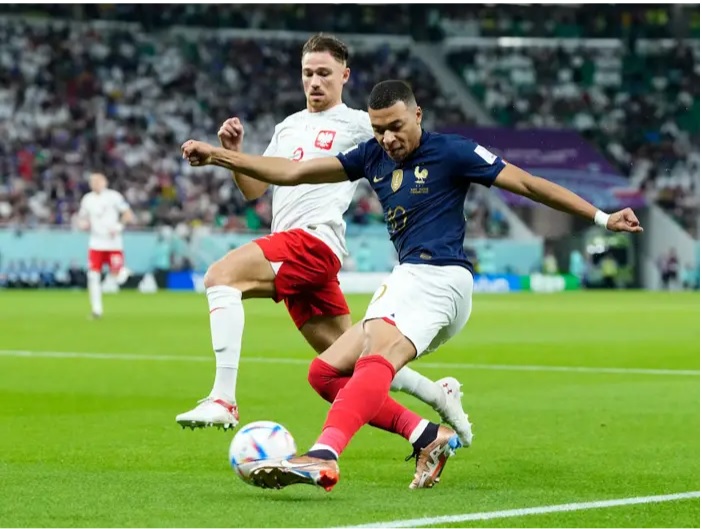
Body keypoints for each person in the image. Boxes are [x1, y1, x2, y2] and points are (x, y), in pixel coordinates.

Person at [183, 80, 643, 490]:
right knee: (325, 373)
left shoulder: (453, 151)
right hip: (410, 279)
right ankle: (427, 435)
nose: (388, 138)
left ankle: (324, 454)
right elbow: (293, 172)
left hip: (441, 278)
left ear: (417, 115)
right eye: (379, 129)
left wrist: (602, 218)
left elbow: (527, 184)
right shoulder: (372, 155)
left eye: (396, 127)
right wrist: (220, 157)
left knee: (376, 357)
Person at [175, 34, 474, 447]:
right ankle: (429, 422)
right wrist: (235, 154)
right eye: (307, 73)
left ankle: (223, 398)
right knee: (353, 366)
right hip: (291, 247)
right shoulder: (287, 127)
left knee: (220, 277)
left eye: (324, 73)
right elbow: (254, 190)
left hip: (313, 243)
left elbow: (407, 143)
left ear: (344, 76)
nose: (314, 81)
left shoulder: (358, 124)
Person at [76, 173, 134, 319]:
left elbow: (128, 214)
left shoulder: (114, 196)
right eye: (93, 182)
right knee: (93, 276)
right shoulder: (87, 199)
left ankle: (122, 272)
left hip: (113, 243)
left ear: (105, 182)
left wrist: (119, 226)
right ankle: (97, 310)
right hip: (96, 243)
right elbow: (82, 218)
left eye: (98, 181)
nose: (96, 184)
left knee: (118, 276)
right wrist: (83, 225)